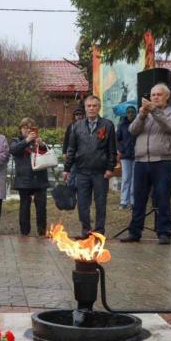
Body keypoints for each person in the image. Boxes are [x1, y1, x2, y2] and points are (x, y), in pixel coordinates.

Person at [120, 84, 171, 245]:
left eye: (158, 95)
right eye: (153, 95)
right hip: (141, 161)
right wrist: (141, 115)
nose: (155, 97)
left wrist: (154, 111)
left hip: (162, 161)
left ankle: (164, 232)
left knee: (162, 197)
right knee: (138, 199)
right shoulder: (145, 114)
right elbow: (132, 130)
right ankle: (135, 232)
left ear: (166, 96)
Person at [63, 96, 116, 238]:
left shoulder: (108, 125)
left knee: (100, 203)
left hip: (100, 172)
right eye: (89, 106)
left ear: (99, 108)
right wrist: (67, 169)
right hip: (82, 171)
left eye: (94, 106)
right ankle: (86, 231)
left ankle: (99, 232)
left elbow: (112, 150)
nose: (91, 108)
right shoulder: (76, 126)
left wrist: (110, 168)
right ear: (85, 108)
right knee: (82, 204)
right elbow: (71, 149)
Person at [10, 118, 49, 236]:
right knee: (24, 207)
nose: (28, 130)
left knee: (41, 207)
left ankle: (41, 231)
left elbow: (47, 155)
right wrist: (27, 140)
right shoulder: (16, 140)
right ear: (20, 129)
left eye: (30, 127)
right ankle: (24, 232)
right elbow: (14, 151)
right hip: (24, 179)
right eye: (25, 127)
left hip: (40, 179)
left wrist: (41, 145)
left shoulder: (38, 140)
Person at [116, 106, 137, 210]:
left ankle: (133, 202)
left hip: (137, 155)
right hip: (125, 155)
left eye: (132, 112)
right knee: (126, 178)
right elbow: (117, 139)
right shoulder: (122, 125)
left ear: (135, 113)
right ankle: (124, 201)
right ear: (126, 113)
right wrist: (122, 149)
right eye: (128, 112)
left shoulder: (139, 124)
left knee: (134, 179)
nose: (130, 114)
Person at [63, 107, 84, 187]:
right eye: (76, 114)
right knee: (71, 174)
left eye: (80, 114)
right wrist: (64, 152)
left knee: (80, 175)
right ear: (74, 116)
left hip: (82, 154)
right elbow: (66, 140)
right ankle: (70, 193)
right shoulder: (70, 126)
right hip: (72, 154)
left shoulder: (86, 125)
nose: (78, 116)